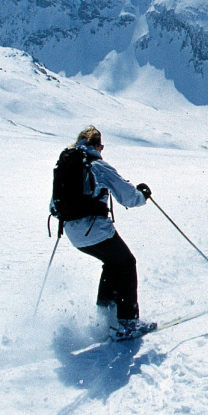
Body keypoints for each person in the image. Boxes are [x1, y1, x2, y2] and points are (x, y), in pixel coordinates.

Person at [52, 126, 156, 340]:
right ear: (97, 145)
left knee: (113, 263)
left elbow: (54, 207)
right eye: (101, 146)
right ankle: (127, 323)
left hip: (73, 233)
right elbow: (127, 197)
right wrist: (143, 195)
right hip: (95, 229)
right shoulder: (97, 165)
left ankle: (106, 316)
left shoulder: (66, 164)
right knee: (127, 263)